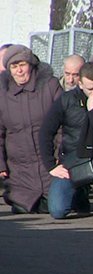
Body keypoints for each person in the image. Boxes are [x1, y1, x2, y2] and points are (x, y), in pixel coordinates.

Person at [39, 62, 93, 221]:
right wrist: (51, 166)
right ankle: (79, 192)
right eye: (90, 89)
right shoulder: (66, 99)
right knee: (57, 211)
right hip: (74, 158)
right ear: (80, 84)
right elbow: (45, 132)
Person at [0, 44, 62, 214]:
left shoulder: (50, 86)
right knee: (24, 206)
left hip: (51, 165)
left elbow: (65, 124)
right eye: (14, 66)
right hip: (20, 172)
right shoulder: (3, 94)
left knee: (58, 208)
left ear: (31, 64)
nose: (19, 71)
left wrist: (60, 154)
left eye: (22, 65)